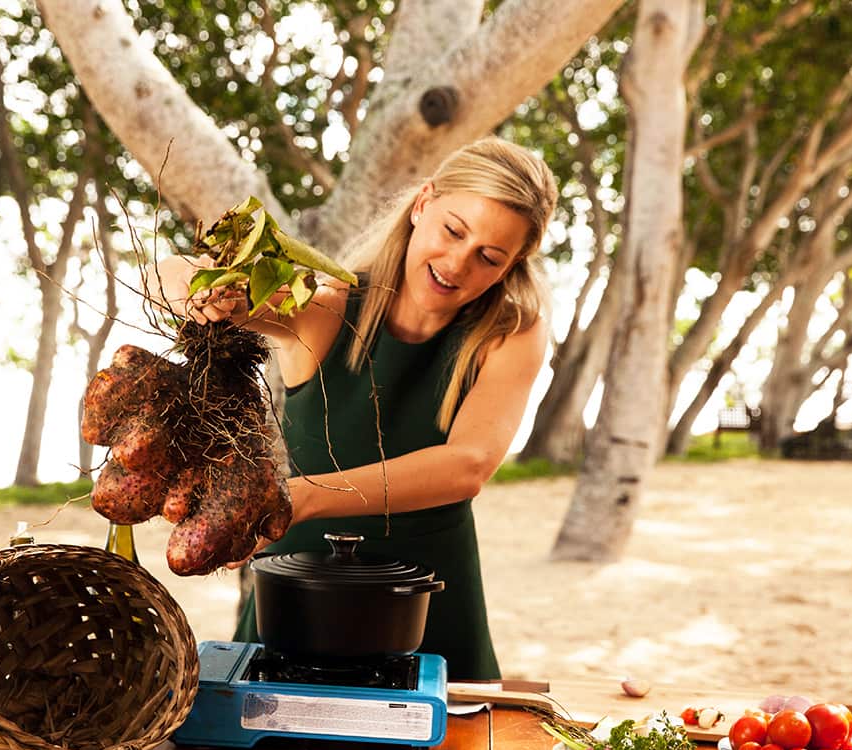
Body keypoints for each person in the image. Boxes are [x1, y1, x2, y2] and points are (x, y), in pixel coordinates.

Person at [151, 137, 558, 681]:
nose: (457, 264)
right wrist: (191, 287)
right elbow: (174, 273)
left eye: (489, 257)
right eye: (453, 230)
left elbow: (468, 465)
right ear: (423, 204)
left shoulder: (509, 332)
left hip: (433, 591)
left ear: (513, 264)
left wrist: (309, 498)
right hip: (298, 587)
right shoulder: (325, 305)